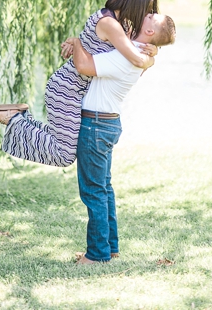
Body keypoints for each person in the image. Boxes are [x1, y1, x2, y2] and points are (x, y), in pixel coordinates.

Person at [0, 0, 168, 167]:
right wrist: (150, 59)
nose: (147, 16)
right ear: (136, 4)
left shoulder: (123, 26)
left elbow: (130, 67)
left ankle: (18, 117)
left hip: (77, 91)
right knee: (64, 155)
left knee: (61, 144)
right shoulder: (110, 24)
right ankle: (13, 118)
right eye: (147, 10)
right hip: (67, 89)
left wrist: (153, 51)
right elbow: (136, 60)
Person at [65, 16, 176, 264]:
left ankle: (97, 254)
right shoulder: (137, 54)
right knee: (104, 189)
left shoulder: (126, 56)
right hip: (106, 122)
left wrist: (75, 41)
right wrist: (153, 55)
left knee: (93, 191)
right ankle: (110, 247)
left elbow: (84, 65)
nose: (145, 14)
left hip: (95, 124)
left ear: (148, 30)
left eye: (151, 17)